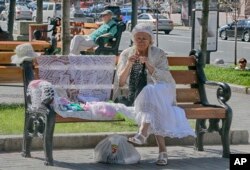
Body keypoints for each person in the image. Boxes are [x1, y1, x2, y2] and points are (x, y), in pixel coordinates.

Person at [114, 23, 196, 166]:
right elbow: (120, 83)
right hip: (139, 95)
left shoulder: (159, 53)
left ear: (151, 40)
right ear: (133, 39)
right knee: (152, 100)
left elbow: (166, 78)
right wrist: (128, 64)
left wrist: (149, 65)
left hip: (163, 90)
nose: (140, 41)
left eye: (144, 39)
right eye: (137, 38)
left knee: (151, 90)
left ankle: (142, 133)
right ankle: (162, 151)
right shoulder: (127, 54)